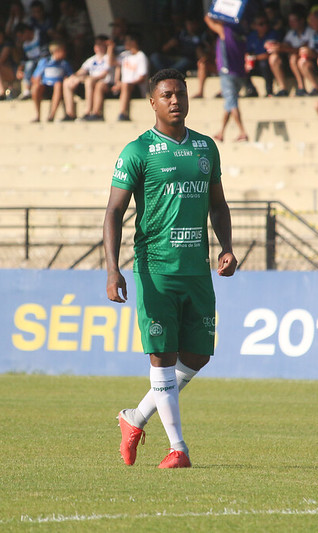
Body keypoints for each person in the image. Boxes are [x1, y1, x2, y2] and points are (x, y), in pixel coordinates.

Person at [104, 68, 237, 469]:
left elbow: (218, 203)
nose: (175, 100)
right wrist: (113, 270)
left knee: (198, 355)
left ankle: (134, 419)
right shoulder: (137, 151)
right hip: (155, 269)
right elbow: (113, 213)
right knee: (161, 356)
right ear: (152, 102)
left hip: (196, 270)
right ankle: (178, 448)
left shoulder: (206, 148)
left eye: (180, 93)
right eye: (167, 95)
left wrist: (226, 247)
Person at [204, 13, 249, 142]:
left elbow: (208, 19)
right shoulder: (241, 34)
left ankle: (242, 131)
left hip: (227, 73)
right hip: (239, 73)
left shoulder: (225, 30)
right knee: (229, 103)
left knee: (232, 102)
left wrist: (214, 11)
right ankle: (222, 131)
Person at [267, 4, 314, 96]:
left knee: (293, 58)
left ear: (302, 21)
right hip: (290, 60)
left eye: (294, 21)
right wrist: (276, 47)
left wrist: (284, 48)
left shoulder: (310, 31)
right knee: (274, 58)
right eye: (290, 21)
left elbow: (301, 49)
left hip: (309, 59)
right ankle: (283, 88)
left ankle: (301, 87)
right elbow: (285, 45)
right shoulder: (291, 33)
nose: (291, 23)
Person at [62, 34, 111, 120]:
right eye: (96, 44)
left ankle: (88, 111)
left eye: (100, 44)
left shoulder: (109, 58)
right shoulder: (91, 60)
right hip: (90, 82)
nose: (98, 47)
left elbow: (104, 74)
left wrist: (88, 78)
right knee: (67, 82)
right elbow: (82, 71)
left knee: (89, 81)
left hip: (104, 83)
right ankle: (70, 113)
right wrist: (74, 77)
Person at [30, 41, 73, 121]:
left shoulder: (64, 64)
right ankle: (37, 115)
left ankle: (51, 116)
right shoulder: (45, 62)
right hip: (46, 86)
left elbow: (70, 76)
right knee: (36, 87)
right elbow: (35, 77)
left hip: (58, 88)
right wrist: (37, 80)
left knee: (58, 84)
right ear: (56, 51)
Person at [244, 14, 285, 96]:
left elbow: (270, 53)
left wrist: (255, 58)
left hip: (268, 64)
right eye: (261, 24)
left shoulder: (273, 34)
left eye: (266, 23)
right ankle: (250, 89)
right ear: (255, 26)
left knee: (264, 64)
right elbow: (248, 51)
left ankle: (269, 91)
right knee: (243, 66)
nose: (264, 26)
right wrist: (247, 59)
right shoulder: (252, 36)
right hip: (255, 63)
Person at [112, 32, 149, 121]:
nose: (124, 43)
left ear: (134, 42)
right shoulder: (125, 55)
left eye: (127, 40)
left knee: (125, 85)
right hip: (124, 87)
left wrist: (124, 84)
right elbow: (111, 63)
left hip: (137, 89)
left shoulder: (141, 56)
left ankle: (123, 113)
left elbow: (142, 78)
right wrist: (110, 48)